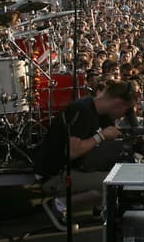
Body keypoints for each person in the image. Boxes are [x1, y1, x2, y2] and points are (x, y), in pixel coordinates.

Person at [34, 79, 137, 231]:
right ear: (118, 103)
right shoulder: (82, 110)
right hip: (56, 172)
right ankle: (60, 203)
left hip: (76, 167)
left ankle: (99, 206)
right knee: (117, 183)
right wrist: (100, 136)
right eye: (126, 110)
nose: (123, 116)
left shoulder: (100, 112)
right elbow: (72, 152)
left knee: (124, 168)